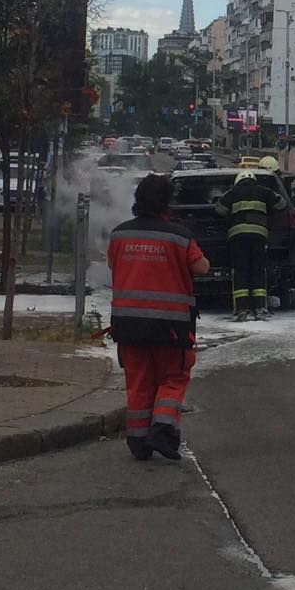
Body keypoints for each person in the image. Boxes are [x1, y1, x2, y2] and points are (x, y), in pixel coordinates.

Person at [107, 171, 211, 461]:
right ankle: (162, 429)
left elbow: (112, 264)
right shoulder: (179, 237)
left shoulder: (120, 234)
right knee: (173, 378)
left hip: (128, 325)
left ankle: (138, 442)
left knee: (138, 381)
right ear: (168, 202)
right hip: (171, 327)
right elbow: (202, 268)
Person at [217, 156, 282, 321]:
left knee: (241, 271)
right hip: (259, 237)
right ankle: (260, 307)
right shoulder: (264, 191)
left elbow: (219, 210)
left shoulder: (232, 192)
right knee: (258, 270)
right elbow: (281, 205)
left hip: (237, 238)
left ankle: (242, 309)